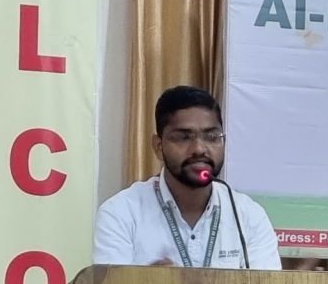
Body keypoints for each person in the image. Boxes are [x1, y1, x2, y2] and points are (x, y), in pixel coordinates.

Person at [93, 85, 281, 269]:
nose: (199, 149)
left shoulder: (248, 216)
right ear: (158, 146)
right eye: (184, 137)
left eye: (212, 137)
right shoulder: (121, 214)